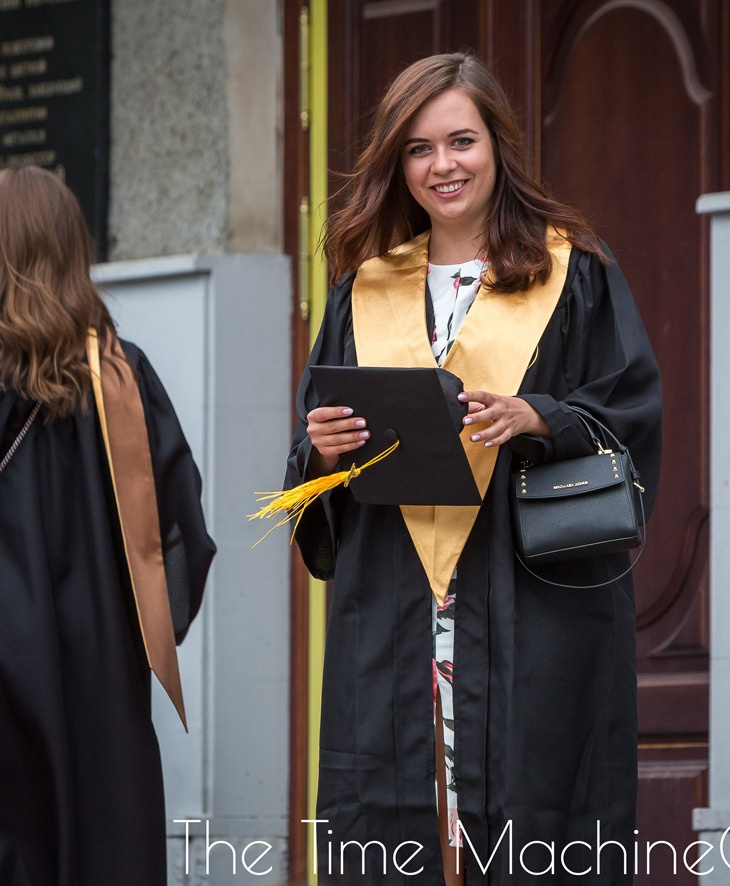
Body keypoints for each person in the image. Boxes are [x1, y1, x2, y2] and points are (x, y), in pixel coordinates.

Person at [285, 53, 662, 885]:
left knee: (538, 824)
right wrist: (321, 447)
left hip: (528, 612)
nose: (442, 165)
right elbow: (312, 481)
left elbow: (631, 424)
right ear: (399, 162)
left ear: (498, 144)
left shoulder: (575, 274)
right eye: (419, 149)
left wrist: (540, 417)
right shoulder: (363, 291)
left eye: (461, 140)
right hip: (396, 613)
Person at [0, 165, 215, 886]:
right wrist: (145, 627)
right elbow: (184, 529)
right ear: (73, 249)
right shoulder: (124, 377)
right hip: (101, 678)